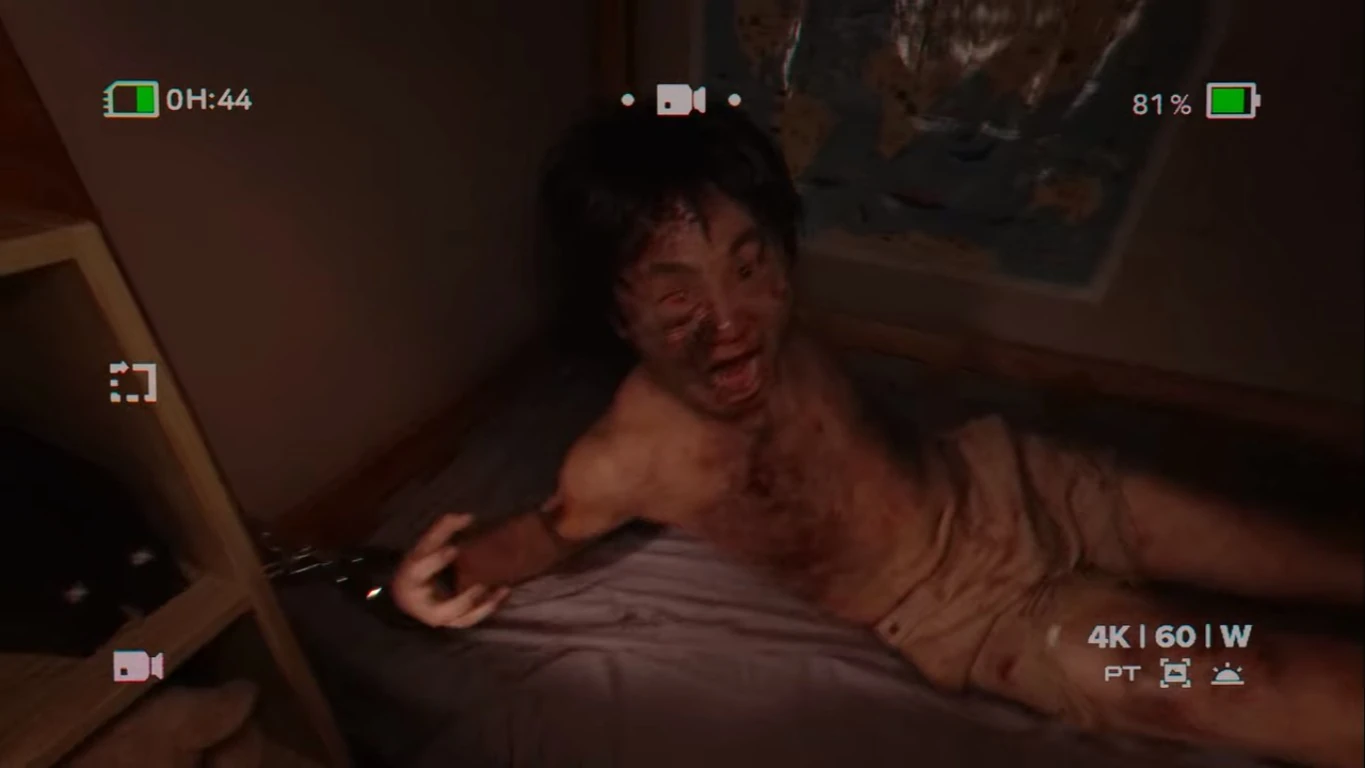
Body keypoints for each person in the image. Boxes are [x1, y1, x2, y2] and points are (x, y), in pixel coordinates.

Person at [389, 104, 1363, 767]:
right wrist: (441, 574)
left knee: (1307, 553)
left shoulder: (785, 324)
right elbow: (546, 533)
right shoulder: (628, 457)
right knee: (1238, 678)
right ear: (616, 313)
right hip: (980, 618)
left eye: (749, 265)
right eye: (674, 294)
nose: (729, 321)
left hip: (1023, 482)